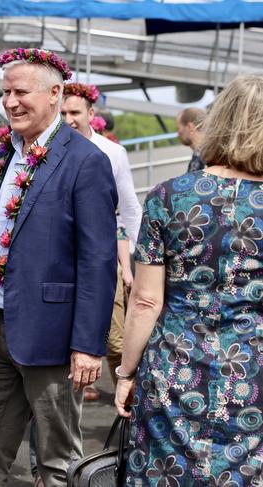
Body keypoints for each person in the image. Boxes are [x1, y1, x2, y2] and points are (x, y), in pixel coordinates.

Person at [0, 47, 118, 486]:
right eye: (5, 92)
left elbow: (98, 260)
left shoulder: (86, 161)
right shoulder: (5, 154)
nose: (10, 102)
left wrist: (88, 345)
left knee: (57, 458)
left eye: (21, 91)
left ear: (55, 93)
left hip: (52, 333)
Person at [115, 75, 263, 486]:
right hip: (251, 372)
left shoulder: (169, 195)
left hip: (174, 371)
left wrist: (126, 374)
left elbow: (146, 301)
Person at [61, 82, 140, 403]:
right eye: (62, 112)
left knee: (115, 341)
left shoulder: (112, 153)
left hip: (101, 263)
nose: (68, 119)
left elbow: (129, 208)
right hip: (61, 265)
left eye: (75, 112)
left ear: (91, 114)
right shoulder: (50, 149)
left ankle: (130, 408)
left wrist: (138, 261)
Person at [176, 106, 206, 172]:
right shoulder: (204, 154)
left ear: (190, 127)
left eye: (178, 128)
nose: (177, 134)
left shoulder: (206, 157)